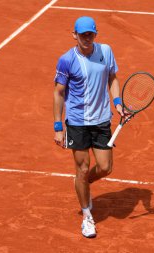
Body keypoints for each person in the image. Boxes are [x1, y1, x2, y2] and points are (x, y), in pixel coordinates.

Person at [53, 16, 125, 238]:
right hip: (78, 122)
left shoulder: (105, 51)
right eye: (82, 34)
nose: (86, 38)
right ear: (74, 35)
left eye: (90, 34)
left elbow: (112, 78)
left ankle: (82, 183)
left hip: (102, 119)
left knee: (105, 168)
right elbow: (58, 92)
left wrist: (118, 103)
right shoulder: (67, 60)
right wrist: (58, 126)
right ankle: (87, 216)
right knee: (82, 168)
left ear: (95, 34)